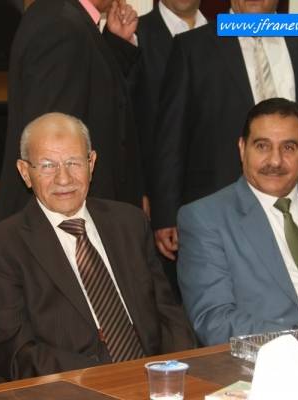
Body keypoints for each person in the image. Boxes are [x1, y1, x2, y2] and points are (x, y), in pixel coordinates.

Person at [0, 112, 194, 380]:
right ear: (25, 172)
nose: (64, 179)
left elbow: (168, 314)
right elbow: (16, 353)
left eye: (74, 162)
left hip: (157, 378)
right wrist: (108, 378)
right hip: (74, 385)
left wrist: (177, 374)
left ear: (92, 163)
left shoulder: (129, 222)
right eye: (48, 165)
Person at [150, 0, 298, 262]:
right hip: (214, 210)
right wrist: (166, 213)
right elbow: (171, 134)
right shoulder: (192, 47)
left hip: (289, 212)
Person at [177, 98, 298, 346]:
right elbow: (214, 321)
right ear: (242, 148)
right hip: (284, 356)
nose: (275, 161)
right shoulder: (206, 218)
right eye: (262, 146)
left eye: (289, 147)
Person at [0, 0, 145, 224]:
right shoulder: (60, 25)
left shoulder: (65, 19)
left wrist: (116, 44)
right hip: (63, 224)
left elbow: (95, 97)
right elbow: (51, 141)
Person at [131, 0, 206, 298]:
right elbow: (126, 121)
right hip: (154, 203)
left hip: (213, 198)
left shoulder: (221, 33)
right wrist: (140, 189)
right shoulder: (134, 33)